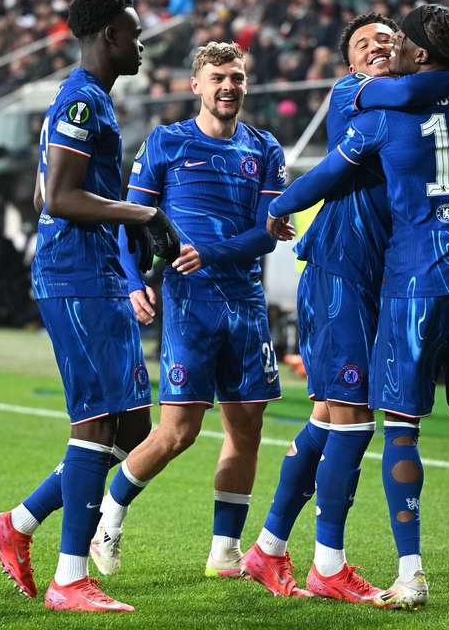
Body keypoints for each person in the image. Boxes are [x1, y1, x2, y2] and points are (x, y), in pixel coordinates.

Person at [240, 11, 449, 608]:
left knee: (331, 420)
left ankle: (269, 547)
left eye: (389, 40)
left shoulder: (417, 109)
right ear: (350, 63)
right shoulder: (355, 93)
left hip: (386, 274)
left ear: (410, 49)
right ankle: (326, 563)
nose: (379, 47)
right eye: (364, 44)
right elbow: (408, 95)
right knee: (353, 418)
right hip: (340, 268)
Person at [0, 0, 179, 613]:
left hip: (91, 274)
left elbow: (44, 196)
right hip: (74, 278)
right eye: (135, 33)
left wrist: (119, 224)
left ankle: (19, 524)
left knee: (134, 426)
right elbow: (60, 199)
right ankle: (70, 580)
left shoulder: (88, 100)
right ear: (107, 37)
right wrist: (137, 214)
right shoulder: (82, 102)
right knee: (95, 422)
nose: (141, 44)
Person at [91, 41, 287, 582]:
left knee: (246, 429)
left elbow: (267, 235)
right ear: (197, 85)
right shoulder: (166, 143)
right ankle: (108, 520)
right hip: (188, 304)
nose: (229, 87)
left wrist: (215, 252)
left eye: (238, 78)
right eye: (219, 77)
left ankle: (225, 550)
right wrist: (133, 284)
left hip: (245, 304)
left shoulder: (266, 149)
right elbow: (133, 222)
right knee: (178, 431)